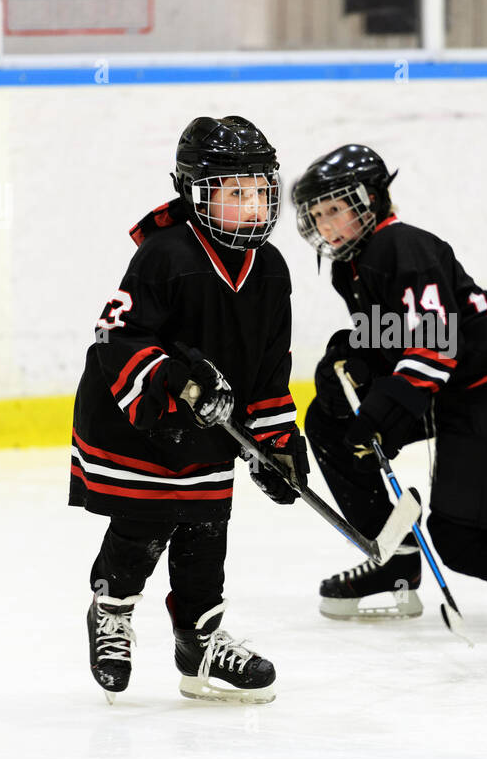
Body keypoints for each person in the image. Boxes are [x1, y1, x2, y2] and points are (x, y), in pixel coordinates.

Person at [292, 144, 487, 620]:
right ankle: (394, 559)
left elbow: (434, 343)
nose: (326, 226)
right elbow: (399, 332)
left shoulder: (403, 246)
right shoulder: (351, 263)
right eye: (317, 215)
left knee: (463, 540)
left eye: (335, 209)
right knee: (329, 419)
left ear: (370, 200)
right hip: (454, 381)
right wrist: (355, 355)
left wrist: (386, 410)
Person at [70, 115, 308, 704]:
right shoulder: (165, 256)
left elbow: (269, 367)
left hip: (211, 424)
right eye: (234, 193)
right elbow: (115, 338)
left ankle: (198, 643)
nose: (251, 206)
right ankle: (112, 609)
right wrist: (174, 379)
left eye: (259, 192)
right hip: (138, 420)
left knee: (206, 526)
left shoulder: (271, 269)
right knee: (146, 519)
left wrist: (277, 441)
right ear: (195, 193)